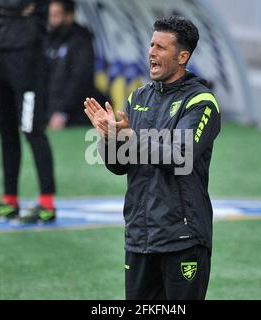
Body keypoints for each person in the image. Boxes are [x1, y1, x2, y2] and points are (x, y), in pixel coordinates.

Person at [84, 16, 221, 300]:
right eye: (151, 45)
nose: (151, 52)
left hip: (182, 239)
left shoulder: (201, 102)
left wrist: (130, 137)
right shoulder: (138, 99)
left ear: (182, 56)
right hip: (140, 238)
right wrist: (110, 136)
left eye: (161, 47)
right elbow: (119, 165)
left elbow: (181, 156)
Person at [0, 0, 57, 223]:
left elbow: (23, 4)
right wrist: (13, 11)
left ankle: (47, 204)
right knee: (6, 131)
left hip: (27, 60)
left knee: (32, 130)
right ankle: (9, 200)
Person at [45, 0, 93, 129]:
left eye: (56, 15)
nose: (52, 20)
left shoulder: (81, 40)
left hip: (75, 113)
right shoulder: (47, 38)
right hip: (48, 109)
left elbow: (79, 80)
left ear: (69, 16)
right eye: (50, 15)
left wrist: (62, 112)